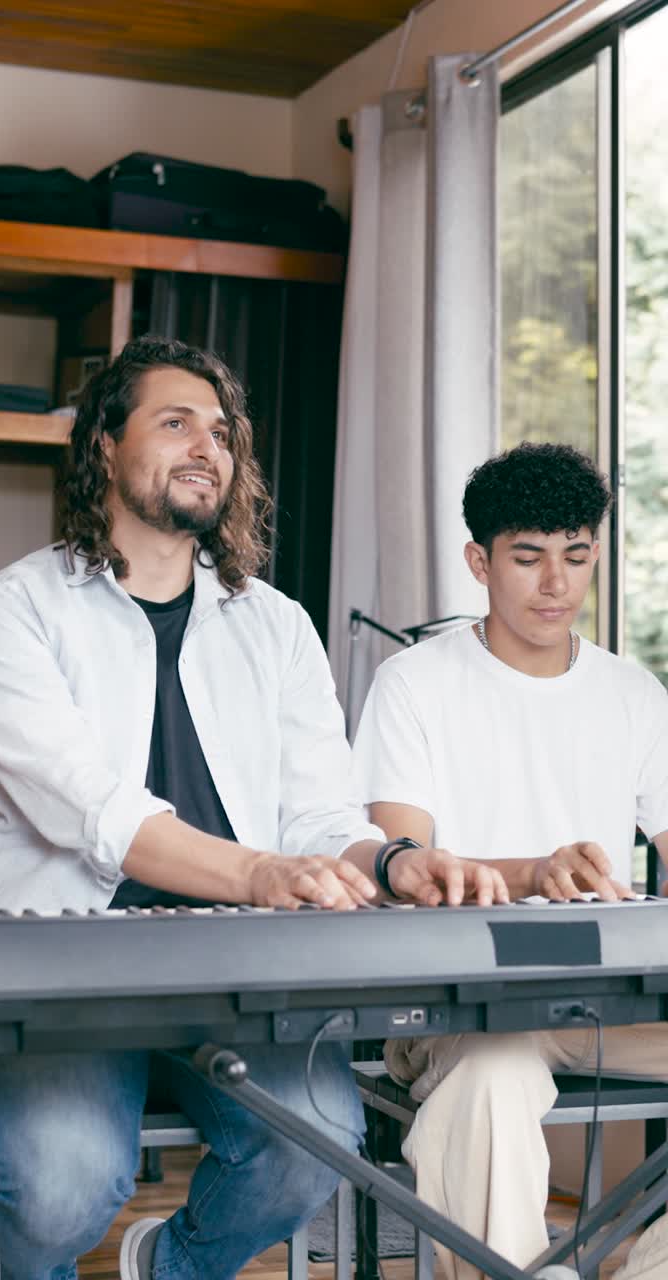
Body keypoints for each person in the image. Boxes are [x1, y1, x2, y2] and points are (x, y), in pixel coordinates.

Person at [0, 336, 506, 1280]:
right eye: (175, 423)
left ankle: (169, 1265)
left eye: (222, 432)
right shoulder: (14, 611)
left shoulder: (275, 625)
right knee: (63, 1185)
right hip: (51, 965)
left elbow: (320, 818)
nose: (208, 445)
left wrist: (389, 861)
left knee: (319, 1141)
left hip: (230, 964)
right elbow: (97, 814)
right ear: (104, 447)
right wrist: (260, 872)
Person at [353, 442, 668, 1280]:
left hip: (608, 999)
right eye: (528, 558)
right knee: (491, 1074)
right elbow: (401, 862)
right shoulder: (413, 685)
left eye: (576, 556)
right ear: (479, 562)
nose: (556, 583)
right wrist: (534, 870)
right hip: (456, 1006)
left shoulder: (635, 695)